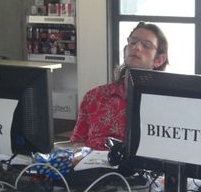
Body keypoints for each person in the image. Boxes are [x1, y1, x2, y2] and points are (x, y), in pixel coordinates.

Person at [70, 22, 168, 150]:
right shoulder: (94, 96)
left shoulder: (164, 103)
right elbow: (78, 143)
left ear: (159, 60)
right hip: (93, 160)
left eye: (146, 45)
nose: (136, 47)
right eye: (132, 42)